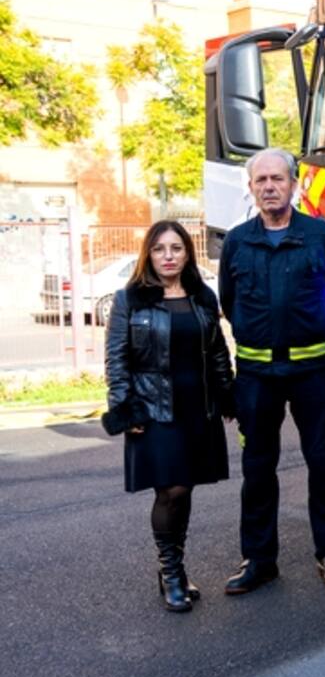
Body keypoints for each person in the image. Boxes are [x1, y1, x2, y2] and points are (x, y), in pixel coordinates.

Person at [218, 147, 325, 595]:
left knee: (324, 464)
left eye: (278, 179)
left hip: (313, 371)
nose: (270, 187)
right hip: (256, 375)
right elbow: (228, 302)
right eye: (261, 181)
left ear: (294, 185)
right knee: (257, 469)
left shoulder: (321, 236)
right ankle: (259, 560)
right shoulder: (237, 241)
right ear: (252, 188)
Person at [102, 221, 234, 612]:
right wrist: (124, 408)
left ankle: (174, 566)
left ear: (187, 253)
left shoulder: (202, 296)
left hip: (198, 405)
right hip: (154, 407)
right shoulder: (130, 300)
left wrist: (227, 395)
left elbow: (217, 351)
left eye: (176, 248)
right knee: (171, 489)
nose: (169, 256)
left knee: (186, 487)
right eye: (160, 249)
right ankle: (171, 571)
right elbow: (117, 358)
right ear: (149, 254)